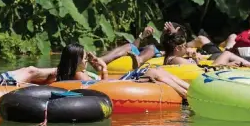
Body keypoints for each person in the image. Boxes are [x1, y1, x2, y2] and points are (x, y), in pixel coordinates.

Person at [56, 44, 190, 98]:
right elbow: (101, 89)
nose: (86, 61)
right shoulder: (80, 76)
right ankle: (187, 94)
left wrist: (103, 68)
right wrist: (104, 69)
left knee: (157, 70)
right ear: (75, 61)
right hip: (118, 84)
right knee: (155, 72)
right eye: (84, 59)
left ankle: (188, 91)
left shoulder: (79, 73)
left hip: (118, 81)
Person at [161, 31, 250, 70]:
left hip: (207, 69)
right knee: (227, 54)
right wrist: (228, 66)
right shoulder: (177, 60)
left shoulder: (173, 58)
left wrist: (195, 59)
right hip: (209, 72)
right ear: (177, 48)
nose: (187, 48)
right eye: (184, 46)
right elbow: (200, 72)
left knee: (227, 54)